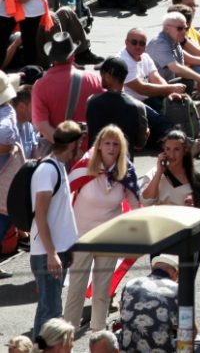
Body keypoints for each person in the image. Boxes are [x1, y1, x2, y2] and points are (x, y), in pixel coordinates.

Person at [64, 125, 141, 332]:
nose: (111, 147)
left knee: (102, 292)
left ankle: (99, 337)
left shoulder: (127, 170)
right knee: (76, 290)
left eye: (116, 143)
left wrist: (135, 234)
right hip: (82, 237)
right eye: (107, 143)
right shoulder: (84, 167)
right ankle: (66, 337)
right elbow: (64, 197)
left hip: (109, 238)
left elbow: (135, 205)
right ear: (99, 146)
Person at [30, 121, 84, 337]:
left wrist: (66, 248)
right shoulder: (47, 170)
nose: (81, 147)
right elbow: (41, 215)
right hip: (47, 253)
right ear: (72, 144)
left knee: (50, 311)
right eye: (80, 142)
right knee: (50, 314)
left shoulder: (59, 167)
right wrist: (52, 253)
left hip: (56, 251)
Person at [118, 253, 180, 353]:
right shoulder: (176, 289)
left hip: (129, 350)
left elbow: (124, 315)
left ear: (153, 269)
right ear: (174, 273)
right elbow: (189, 330)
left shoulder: (129, 284)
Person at [143, 129, 200, 208]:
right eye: (168, 149)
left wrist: (196, 202)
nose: (171, 155)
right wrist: (159, 173)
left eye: (176, 149)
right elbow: (146, 201)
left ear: (185, 151)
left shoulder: (198, 179)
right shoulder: (154, 173)